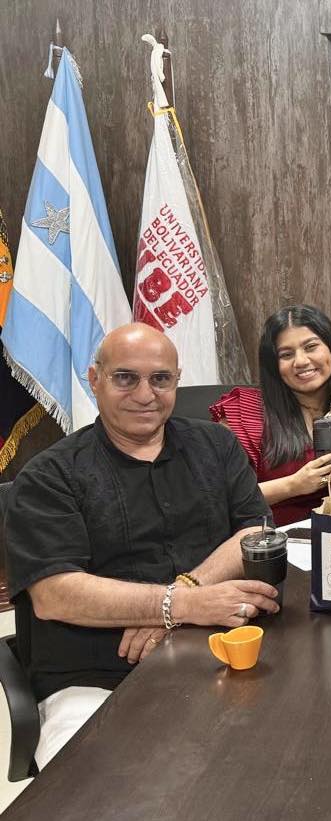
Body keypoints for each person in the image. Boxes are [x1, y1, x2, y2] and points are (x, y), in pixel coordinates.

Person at [4, 324, 282, 769]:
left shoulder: (216, 444)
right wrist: (179, 605)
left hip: (218, 651)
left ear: (176, 381)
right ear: (94, 379)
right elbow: (56, 594)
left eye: (160, 379)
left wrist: (184, 595)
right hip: (95, 679)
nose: (145, 394)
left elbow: (254, 531)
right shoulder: (49, 477)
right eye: (125, 377)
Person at [212, 305, 331, 525]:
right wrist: (294, 485)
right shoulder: (245, 413)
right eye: (286, 354)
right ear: (273, 365)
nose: (301, 361)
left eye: (311, 346)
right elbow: (220, 497)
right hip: (276, 541)